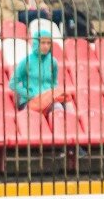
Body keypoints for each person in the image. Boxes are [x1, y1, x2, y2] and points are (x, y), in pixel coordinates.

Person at [10, 30, 87, 158]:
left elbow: (54, 83)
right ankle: (69, 145)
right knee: (59, 108)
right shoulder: (26, 62)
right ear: (36, 43)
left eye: (48, 43)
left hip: (48, 99)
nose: (46, 46)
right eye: (42, 43)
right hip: (31, 101)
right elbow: (13, 83)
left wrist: (51, 95)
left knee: (64, 108)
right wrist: (29, 94)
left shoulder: (53, 62)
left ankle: (72, 143)